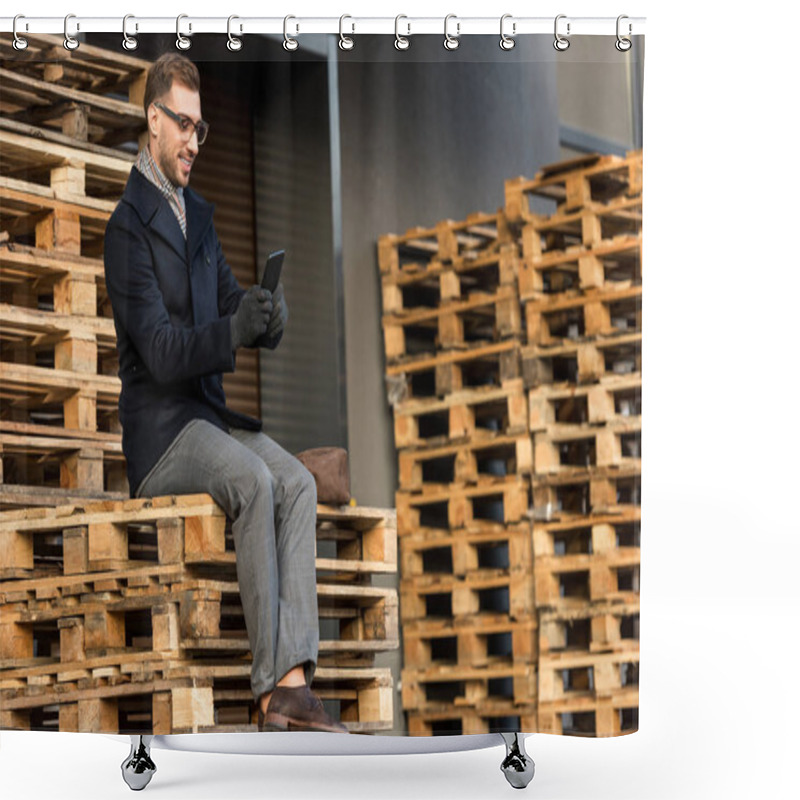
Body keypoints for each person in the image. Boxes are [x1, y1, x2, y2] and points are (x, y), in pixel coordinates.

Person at [103, 53, 347, 734]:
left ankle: (295, 679)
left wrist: (267, 317)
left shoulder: (201, 219)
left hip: (207, 418)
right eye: (183, 125)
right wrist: (230, 328)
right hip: (162, 432)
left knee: (295, 481)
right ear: (154, 121)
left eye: (201, 129)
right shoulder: (126, 232)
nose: (193, 142)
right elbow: (159, 351)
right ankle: (273, 692)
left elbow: (236, 303)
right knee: (255, 482)